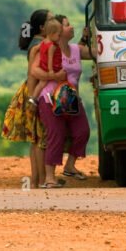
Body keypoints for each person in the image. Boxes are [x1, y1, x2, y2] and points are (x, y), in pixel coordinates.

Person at [1, 9, 65, 189]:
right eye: (51, 19)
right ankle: (44, 179)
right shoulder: (39, 47)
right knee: (40, 138)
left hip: (33, 93)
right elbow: (32, 75)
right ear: (42, 27)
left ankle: (38, 180)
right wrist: (32, 99)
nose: (56, 21)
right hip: (35, 92)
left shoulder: (39, 44)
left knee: (36, 138)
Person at [37, 15, 93, 188]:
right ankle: (49, 178)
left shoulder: (76, 49)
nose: (71, 28)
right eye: (67, 25)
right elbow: (35, 71)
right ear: (59, 31)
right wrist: (54, 76)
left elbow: (96, 53)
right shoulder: (48, 49)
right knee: (56, 134)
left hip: (71, 98)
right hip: (50, 98)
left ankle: (70, 165)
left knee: (82, 131)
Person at [28, 19, 63, 106]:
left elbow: (36, 49)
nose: (60, 37)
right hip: (50, 67)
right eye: (59, 35)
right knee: (59, 81)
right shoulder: (52, 46)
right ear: (52, 34)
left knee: (41, 83)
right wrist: (51, 71)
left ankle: (33, 98)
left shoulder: (43, 42)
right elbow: (50, 59)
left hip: (43, 66)